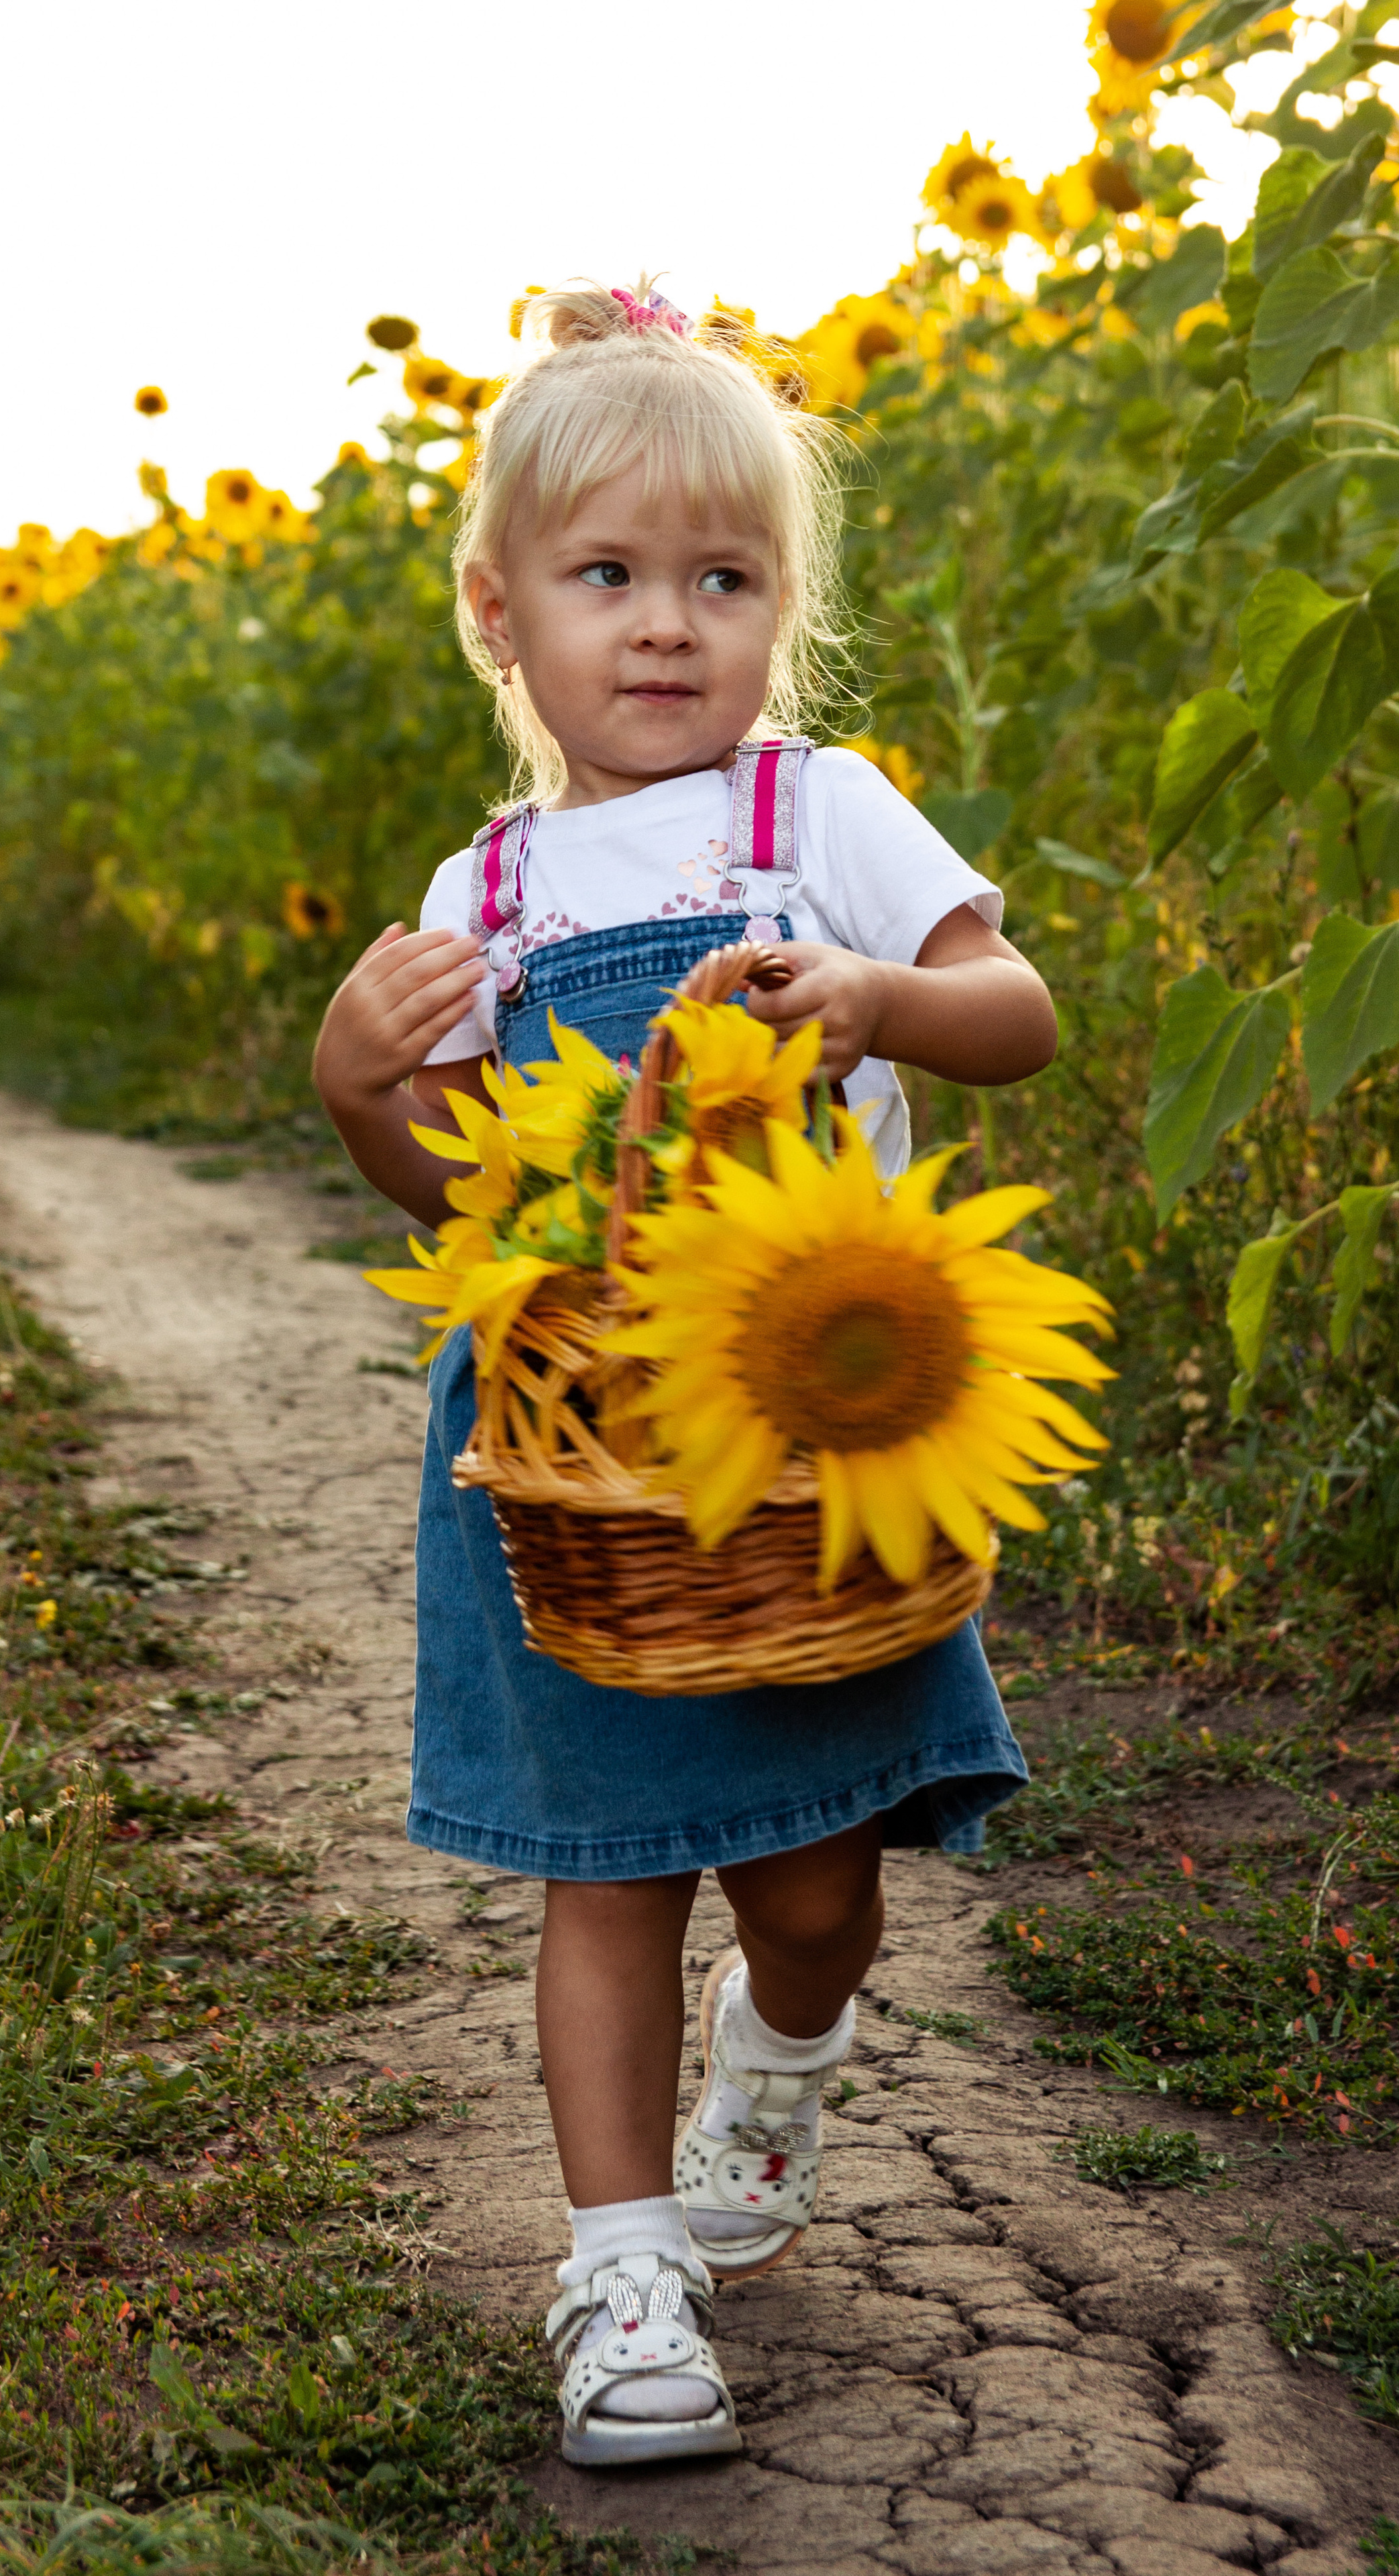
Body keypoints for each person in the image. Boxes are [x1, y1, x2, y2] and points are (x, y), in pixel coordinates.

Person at [313, 279, 1058, 2469]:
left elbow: (1015, 1012)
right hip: (583, 1481)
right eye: (608, 577)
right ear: (501, 616)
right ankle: (620, 2266)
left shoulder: (817, 813)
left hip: (813, 1465)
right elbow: (458, 1202)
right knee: (606, 1870)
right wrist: (365, 1087)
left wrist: (882, 997)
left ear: (781, 613)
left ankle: (785, 2059)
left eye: (722, 582)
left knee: (821, 1882)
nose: (665, 627)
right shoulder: (493, 887)